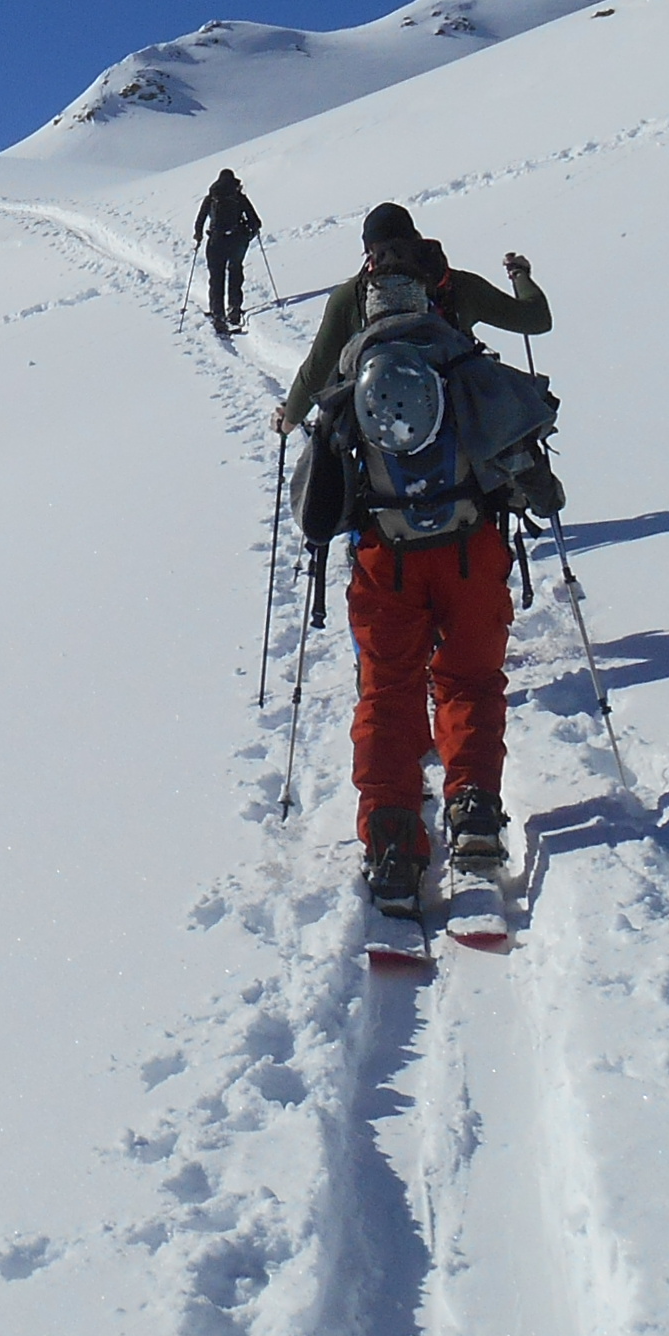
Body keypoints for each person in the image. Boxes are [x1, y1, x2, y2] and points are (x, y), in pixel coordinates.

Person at [270, 202, 551, 908]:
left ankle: (392, 838)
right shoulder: (459, 358)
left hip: (386, 559)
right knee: (470, 681)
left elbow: (317, 505)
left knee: (389, 690)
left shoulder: (350, 376)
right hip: (470, 549)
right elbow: (521, 435)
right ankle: (474, 811)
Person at [192, 169, 261, 334]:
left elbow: (200, 220)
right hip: (236, 241)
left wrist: (198, 236)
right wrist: (248, 235)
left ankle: (218, 315)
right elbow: (256, 221)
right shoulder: (239, 197)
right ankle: (234, 309)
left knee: (216, 277)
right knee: (235, 271)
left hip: (215, 241)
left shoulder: (212, 197)